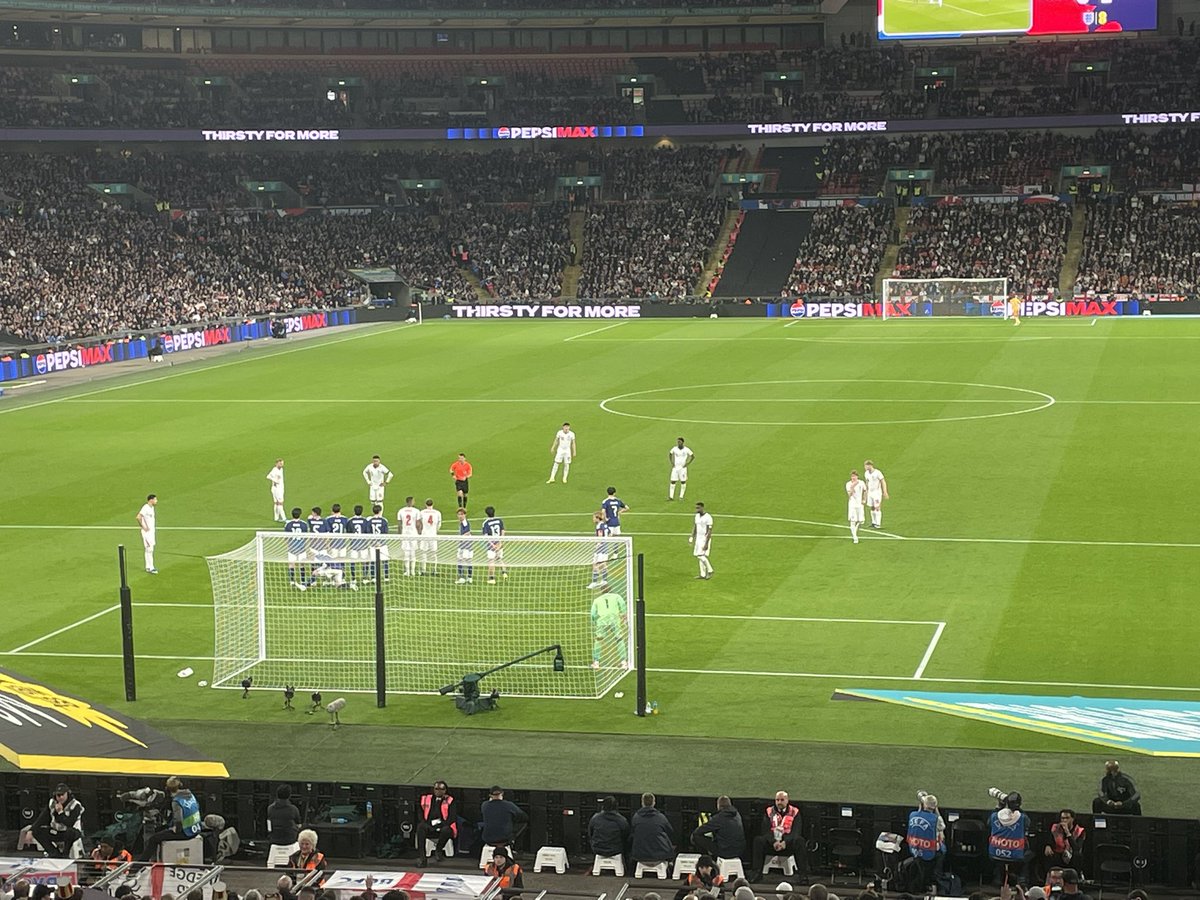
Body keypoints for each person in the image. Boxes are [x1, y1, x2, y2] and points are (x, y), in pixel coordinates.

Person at [750, 791, 808, 884]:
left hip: (788, 844)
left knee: (800, 841)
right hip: (772, 844)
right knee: (758, 840)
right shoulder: (769, 811)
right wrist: (773, 842)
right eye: (777, 800)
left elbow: (796, 831)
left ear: (787, 800)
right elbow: (765, 830)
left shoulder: (794, 812)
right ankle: (756, 873)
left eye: (782, 800)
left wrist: (785, 842)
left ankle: (803, 876)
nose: (779, 802)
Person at [139, 777, 202, 861]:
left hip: (186, 833)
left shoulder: (176, 801)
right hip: (196, 829)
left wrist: (175, 830)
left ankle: (140, 863)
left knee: (153, 839)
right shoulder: (190, 795)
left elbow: (178, 820)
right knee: (163, 830)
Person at [987, 790, 1031, 887]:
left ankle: (997, 879)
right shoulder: (1023, 818)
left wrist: (999, 806)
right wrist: (1018, 809)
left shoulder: (995, 816)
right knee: (1029, 855)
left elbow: (988, 823)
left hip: (995, 854)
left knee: (999, 862)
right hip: (1016, 857)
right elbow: (1028, 824)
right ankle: (1022, 880)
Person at [905, 791, 945, 891]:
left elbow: (919, 815)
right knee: (942, 847)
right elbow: (942, 827)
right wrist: (936, 810)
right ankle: (936, 882)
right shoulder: (936, 819)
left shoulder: (912, 815)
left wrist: (921, 806)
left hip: (915, 849)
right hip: (930, 852)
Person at [32, 783, 84, 859]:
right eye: (58, 795)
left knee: (70, 832)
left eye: (63, 795)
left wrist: (60, 813)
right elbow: (42, 818)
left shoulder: (75, 805)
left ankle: (65, 854)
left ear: (67, 794)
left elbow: (69, 823)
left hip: (71, 832)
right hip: (56, 831)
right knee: (37, 831)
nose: (61, 797)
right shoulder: (52, 803)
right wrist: (32, 830)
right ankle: (54, 853)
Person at [416, 781, 457, 868]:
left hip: (443, 825)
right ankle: (422, 858)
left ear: (445, 790)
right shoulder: (426, 799)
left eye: (442, 789)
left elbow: (452, 818)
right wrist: (427, 824)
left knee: (447, 830)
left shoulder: (450, 800)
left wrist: (439, 825)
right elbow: (420, 814)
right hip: (429, 825)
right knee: (420, 827)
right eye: (436, 789)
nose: (439, 791)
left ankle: (438, 850)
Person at [691, 795, 745, 861]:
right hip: (739, 850)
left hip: (726, 851)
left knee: (696, 836)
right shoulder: (737, 815)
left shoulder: (719, 817)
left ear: (718, 806)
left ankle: (706, 860)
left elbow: (699, 831)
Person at [630, 792, 674, 868]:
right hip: (660, 855)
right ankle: (670, 864)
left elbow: (632, 833)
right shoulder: (661, 817)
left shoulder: (636, 818)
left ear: (642, 803)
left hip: (640, 855)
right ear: (654, 803)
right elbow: (670, 832)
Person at [590, 590, 628, 670]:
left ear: (601, 591)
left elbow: (593, 613)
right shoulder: (617, 596)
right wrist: (624, 615)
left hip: (602, 621)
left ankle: (596, 663)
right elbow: (622, 604)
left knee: (598, 640)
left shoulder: (597, 600)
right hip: (614, 620)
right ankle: (624, 663)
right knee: (619, 639)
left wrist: (595, 621)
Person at [1042, 810, 1084, 880]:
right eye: (1062, 818)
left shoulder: (1079, 831)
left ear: (1072, 819)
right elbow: (1049, 839)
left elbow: (1076, 847)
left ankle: (1076, 878)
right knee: (1048, 854)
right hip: (1058, 854)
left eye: (1067, 818)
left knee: (1078, 855)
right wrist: (1048, 845)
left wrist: (1067, 832)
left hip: (1071, 856)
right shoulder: (1055, 828)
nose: (1064, 820)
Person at [588, 796, 629, 860]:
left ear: (602, 806)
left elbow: (590, 834)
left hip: (598, 850)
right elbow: (626, 836)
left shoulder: (595, 818)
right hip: (616, 851)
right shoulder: (622, 820)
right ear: (616, 807)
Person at [266, 785, 302, 850]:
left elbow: (269, 825)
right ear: (289, 795)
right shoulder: (293, 809)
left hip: (274, 839)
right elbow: (299, 824)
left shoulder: (270, 808)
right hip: (290, 840)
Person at [284, 508, 310, 590]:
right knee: (302, 564)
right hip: (301, 547)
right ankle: (302, 580)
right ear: (300, 514)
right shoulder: (304, 524)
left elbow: (286, 537)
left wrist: (288, 545)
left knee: (291, 564)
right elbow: (306, 536)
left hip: (292, 547)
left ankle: (292, 581)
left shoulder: (288, 524)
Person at [481, 506, 507, 584]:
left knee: (491, 561)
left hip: (491, 545)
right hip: (499, 543)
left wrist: (492, 545)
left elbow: (486, 536)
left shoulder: (485, 523)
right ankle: (504, 573)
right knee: (499, 559)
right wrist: (500, 542)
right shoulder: (499, 520)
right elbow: (503, 531)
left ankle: (492, 579)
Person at [397, 496, 420, 577]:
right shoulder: (416, 511)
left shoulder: (401, 511)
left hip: (405, 534)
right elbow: (418, 524)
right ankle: (412, 571)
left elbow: (399, 525)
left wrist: (400, 534)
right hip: (413, 533)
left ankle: (407, 571)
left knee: (406, 553)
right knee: (413, 553)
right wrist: (419, 533)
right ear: (411, 502)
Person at [366, 503, 390, 582]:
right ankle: (386, 577)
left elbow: (368, 532)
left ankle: (373, 577)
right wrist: (380, 542)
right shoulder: (384, 520)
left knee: (373, 560)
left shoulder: (370, 521)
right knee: (385, 560)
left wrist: (373, 541)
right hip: (382, 543)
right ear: (380, 511)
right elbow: (385, 532)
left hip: (373, 543)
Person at [347, 504, 369, 587]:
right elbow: (367, 532)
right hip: (363, 544)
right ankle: (365, 578)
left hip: (354, 544)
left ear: (354, 511)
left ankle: (353, 578)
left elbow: (348, 532)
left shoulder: (350, 521)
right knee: (365, 562)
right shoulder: (365, 521)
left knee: (353, 562)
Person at [690, 502, 714, 580]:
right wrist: (692, 537)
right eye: (696, 508)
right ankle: (702, 574)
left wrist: (706, 543)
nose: (696, 509)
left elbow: (709, 531)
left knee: (700, 555)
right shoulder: (697, 516)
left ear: (702, 508)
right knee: (700, 556)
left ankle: (710, 570)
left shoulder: (708, 517)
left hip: (704, 538)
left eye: (698, 508)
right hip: (698, 538)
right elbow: (695, 526)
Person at [419, 499, 442, 576]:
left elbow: (419, 523)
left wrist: (421, 531)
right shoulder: (437, 513)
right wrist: (435, 531)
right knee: (434, 553)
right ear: (433, 504)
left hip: (424, 535)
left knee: (423, 552)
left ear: (425, 504)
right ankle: (434, 570)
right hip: (433, 535)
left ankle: (423, 570)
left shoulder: (422, 512)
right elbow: (439, 524)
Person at [589, 511, 611, 589]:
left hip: (600, 547)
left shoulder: (599, 526)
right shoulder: (605, 525)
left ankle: (594, 582)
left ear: (598, 518)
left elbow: (600, 537)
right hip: (605, 546)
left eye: (594, 517)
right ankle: (604, 581)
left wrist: (598, 545)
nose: (593, 519)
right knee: (603, 564)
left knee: (596, 564)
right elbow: (610, 533)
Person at [863, 460, 889, 529]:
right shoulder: (866, 473)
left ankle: (878, 523)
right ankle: (873, 522)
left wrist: (885, 491)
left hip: (877, 492)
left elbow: (883, 481)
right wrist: (866, 491)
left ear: (870, 465)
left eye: (866, 466)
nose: (865, 467)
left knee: (877, 507)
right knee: (872, 507)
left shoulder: (878, 472)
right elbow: (867, 482)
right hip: (870, 492)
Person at [137, 494, 158, 574]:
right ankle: (151, 567)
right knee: (150, 549)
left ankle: (148, 567)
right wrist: (143, 527)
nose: (156, 501)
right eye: (155, 499)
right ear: (151, 500)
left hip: (151, 532)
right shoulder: (145, 508)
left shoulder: (152, 508)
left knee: (148, 549)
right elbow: (138, 517)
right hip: (147, 533)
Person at [846, 470, 867, 545]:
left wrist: (864, 499)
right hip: (852, 505)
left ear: (857, 476)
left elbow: (865, 491)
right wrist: (852, 486)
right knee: (853, 521)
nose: (853, 478)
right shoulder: (848, 484)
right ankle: (855, 537)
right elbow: (849, 495)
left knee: (861, 521)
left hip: (860, 505)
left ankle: (855, 531)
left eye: (854, 476)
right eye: (852, 476)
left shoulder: (861, 482)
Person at [455, 508, 474, 585]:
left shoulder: (464, 522)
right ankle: (469, 577)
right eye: (459, 514)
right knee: (468, 561)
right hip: (467, 545)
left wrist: (460, 538)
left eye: (462, 514)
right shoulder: (462, 522)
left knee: (461, 560)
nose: (460, 516)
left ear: (465, 515)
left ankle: (462, 578)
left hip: (465, 545)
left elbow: (468, 532)